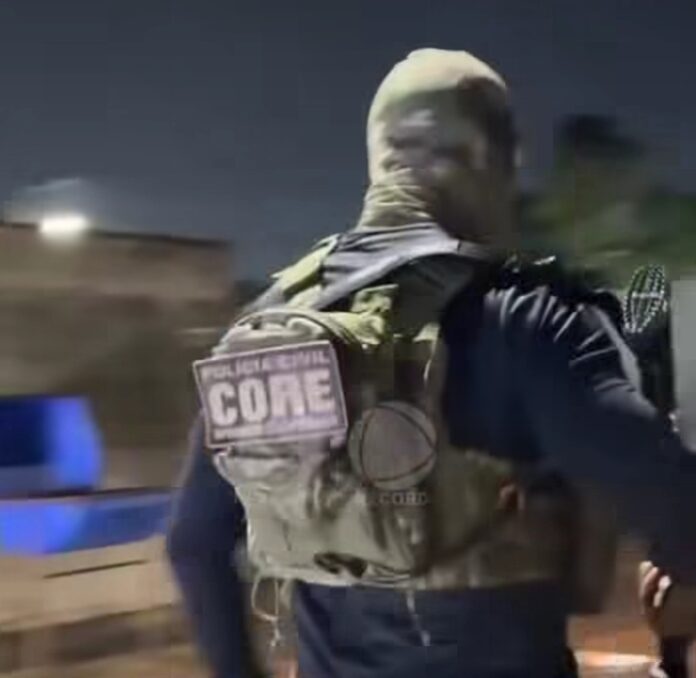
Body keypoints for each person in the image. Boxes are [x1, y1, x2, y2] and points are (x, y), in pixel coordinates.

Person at [167, 48, 696, 678]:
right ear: (492, 164)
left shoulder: (271, 326)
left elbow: (194, 544)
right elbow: (676, 510)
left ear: (380, 161)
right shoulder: (528, 321)